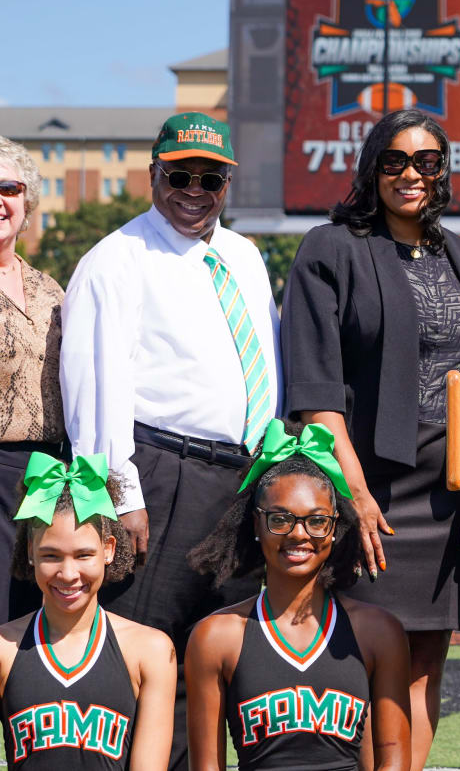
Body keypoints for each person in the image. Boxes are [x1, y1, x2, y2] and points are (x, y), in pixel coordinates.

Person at [59, 112, 280, 768]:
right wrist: (120, 495)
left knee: (225, 662)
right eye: (178, 174)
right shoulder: (115, 259)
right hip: (160, 474)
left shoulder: (241, 255)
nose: (194, 189)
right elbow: (94, 388)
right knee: (146, 660)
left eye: (209, 178)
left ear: (227, 182)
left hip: (243, 479)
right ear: (153, 174)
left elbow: (265, 364)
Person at [281, 109, 460, 769]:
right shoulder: (330, 248)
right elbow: (316, 393)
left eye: (426, 162)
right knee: (363, 661)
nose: (410, 174)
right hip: (371, 488)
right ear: (372, 170)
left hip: (448, 495)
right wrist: (357, 496)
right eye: (394, 161)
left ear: (443, 173)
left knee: (428, 661)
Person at [186, 419, 411, 771]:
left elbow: (394, 764)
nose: (298, 534)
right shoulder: (216, 637)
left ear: (336, 527)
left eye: (317, 520)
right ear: (256, 524)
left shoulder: (379, 632)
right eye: (279, 519)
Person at [0, 452, 176, 768]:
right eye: (51, 555)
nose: (68, 574)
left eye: (83, 555)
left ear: (108, 550)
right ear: (30, 552)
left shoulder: (150, 650)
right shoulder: (4, 648)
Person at [0, 136, 66, 622]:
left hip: (47, 473)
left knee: (32, 616)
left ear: (27, 200)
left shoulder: (50, 288)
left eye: (8, 187)